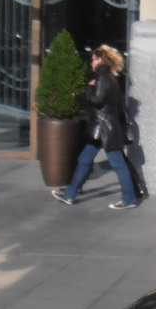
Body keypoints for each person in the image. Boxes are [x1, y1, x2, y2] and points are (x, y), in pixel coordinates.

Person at [53, 45, 139, 209]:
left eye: (94, 59)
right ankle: (70, 194)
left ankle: (129, 199)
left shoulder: (103, 77)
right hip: (102, 129)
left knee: (117, 164)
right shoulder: (110, 78)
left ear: (101, 59)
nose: (91, 62)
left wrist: (80, 96)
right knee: (84, 160)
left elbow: (96, 101)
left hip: (104, 129)